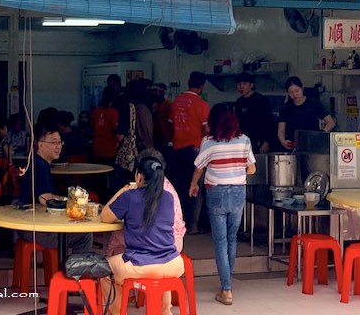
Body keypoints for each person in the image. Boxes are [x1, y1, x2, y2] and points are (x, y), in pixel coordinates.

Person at [101, 151, 184, 315]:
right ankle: (164, 312)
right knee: (160, 275)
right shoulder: (168, 197)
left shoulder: (130, 196)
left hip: (142, 265)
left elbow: (105, 216)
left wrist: (123, 189)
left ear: (139, 176)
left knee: (103, 269)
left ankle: (117, 313)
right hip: (173, 263)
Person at [190, 103, 256, 306]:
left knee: (220, 241)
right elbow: (252, 169)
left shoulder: (209, 142)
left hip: (216, 192)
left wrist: (193, 185)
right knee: (232, 238)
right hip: (237, 192)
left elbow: (199, 168)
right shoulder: (244, 140)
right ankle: (227, 286)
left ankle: (226, 290)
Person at [17, 123, 92, 255]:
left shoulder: (39, 163)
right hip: (35, 228)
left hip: (29, 224)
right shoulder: (40, 166)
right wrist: (71, 202)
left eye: (60, 142)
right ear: (40, 144)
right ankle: (75, 273)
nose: (58, 146)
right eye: (53, 142)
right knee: (85, 235)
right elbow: (46, 199)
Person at [170, 71, 210, 233]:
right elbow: (207, 130)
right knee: (195, 189)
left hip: (177, 150)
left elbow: (170, 126)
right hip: (195, 151)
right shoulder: (201, 104)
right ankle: (192, 226)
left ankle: (178, 224)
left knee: (178, 188)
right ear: (201, 87)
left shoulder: (175, 102)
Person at [277, 76, 335, 150]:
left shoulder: (314, 104)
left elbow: (330, 122)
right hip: (294, 148)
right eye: (291, 93)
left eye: (297, 91)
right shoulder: (286, 108)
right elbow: (281, 130)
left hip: (314, 146)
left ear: (302, 88)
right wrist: (283, 141)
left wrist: (320, 134)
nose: (294, 94)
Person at [233, 73, 275, 153]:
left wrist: (267, 142)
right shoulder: (239, 102)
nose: (241, 87)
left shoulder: (261, 100)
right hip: (244, 141)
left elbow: (269, 122)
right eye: (239, 84)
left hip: (260, 140)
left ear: (251, 85)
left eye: (244, 84)